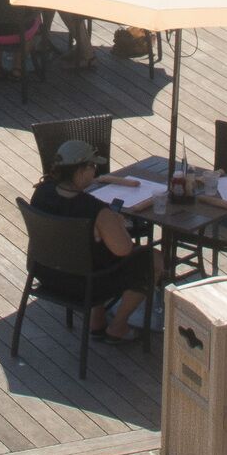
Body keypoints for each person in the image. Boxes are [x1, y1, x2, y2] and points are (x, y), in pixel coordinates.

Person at [25, 137, 153, 340]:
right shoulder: (94, 210)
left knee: (94, 252)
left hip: (45, 273)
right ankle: (118, 327)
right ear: (80, 170)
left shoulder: (42, 192)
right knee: (151, 260)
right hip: (83, 285)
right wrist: (117, 223)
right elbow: (124, 249)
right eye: (92, 166)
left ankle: (98, 320)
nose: (96, 172)